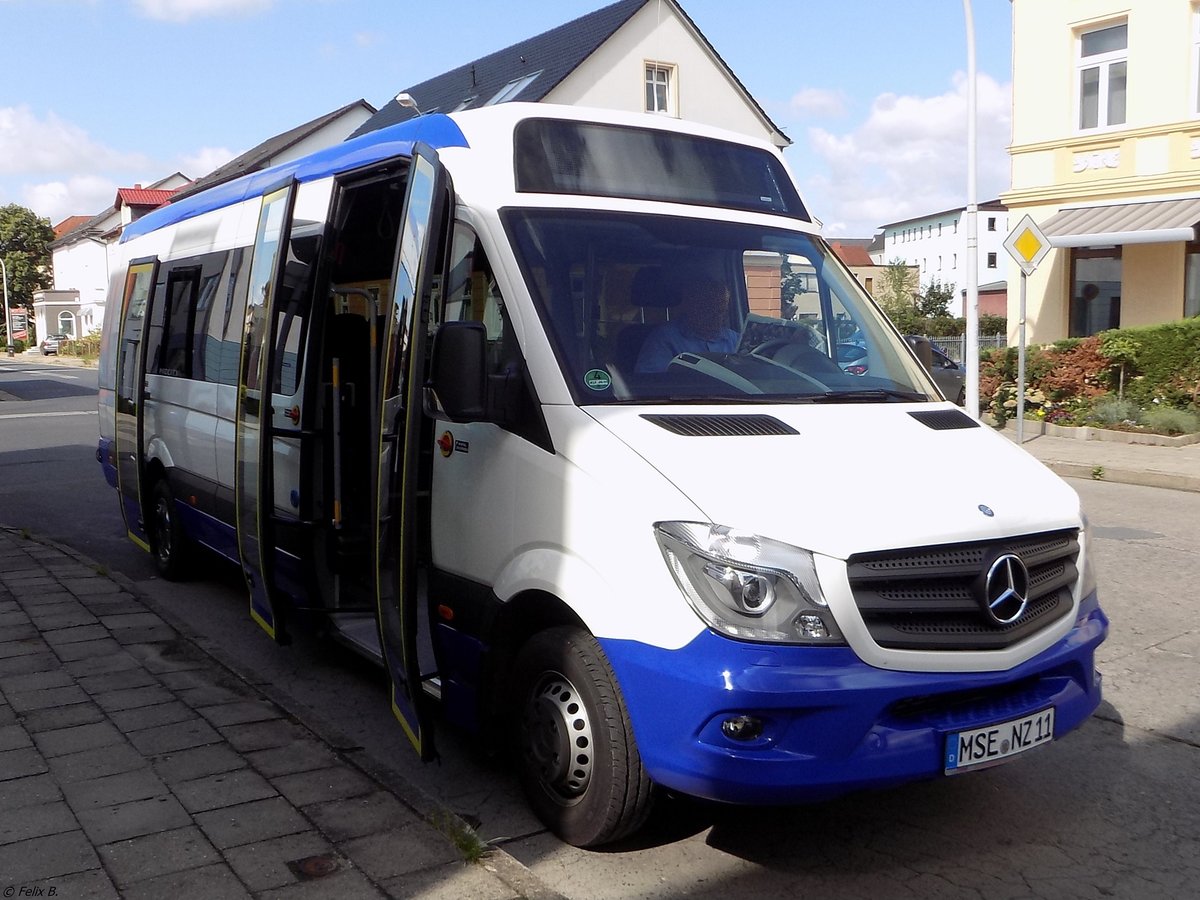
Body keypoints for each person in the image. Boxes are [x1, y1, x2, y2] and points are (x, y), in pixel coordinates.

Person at [635, 273, 739, 373]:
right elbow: (651, 381)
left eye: (721, 310)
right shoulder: (664, 339)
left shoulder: (736, 341)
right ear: (691, 306)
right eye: (710, 309)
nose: (718, 316)